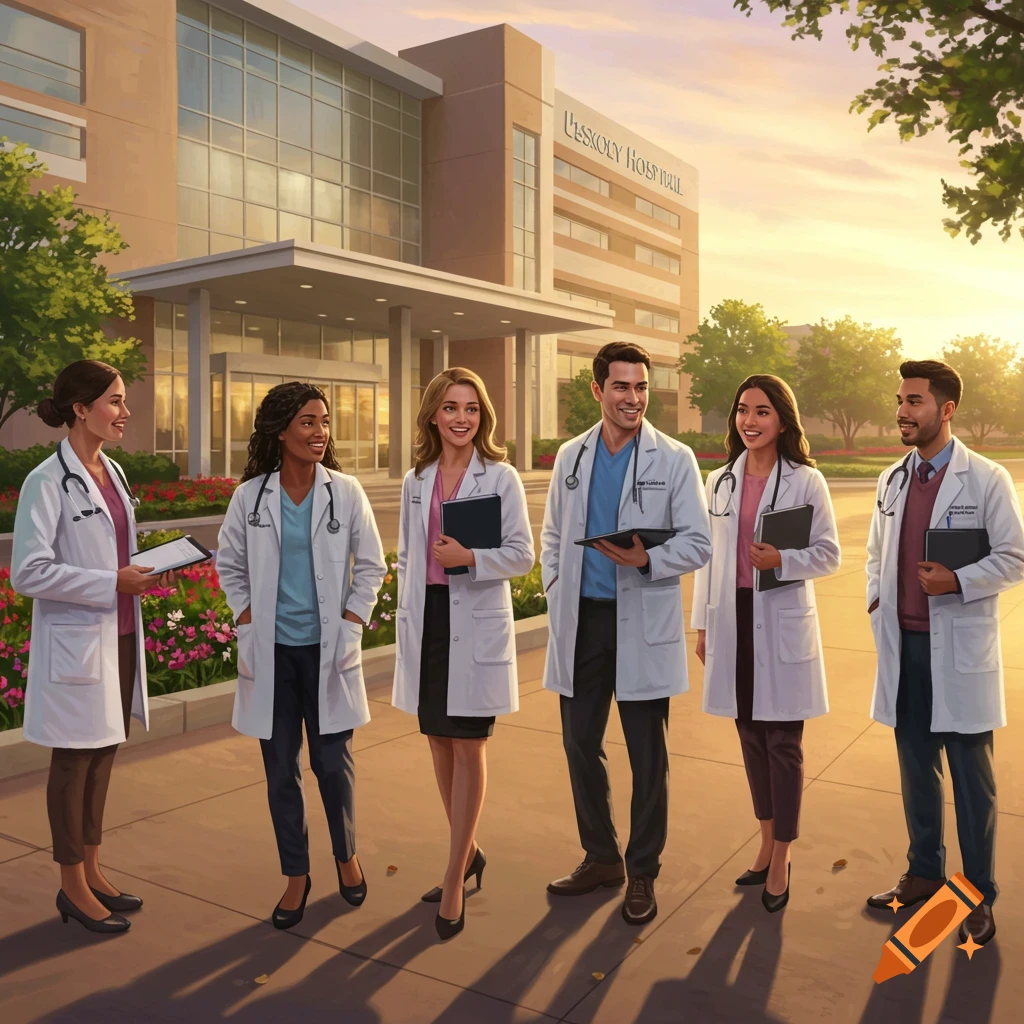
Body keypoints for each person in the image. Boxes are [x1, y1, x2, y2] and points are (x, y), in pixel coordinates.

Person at [540, 341, 711, 925]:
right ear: (597, 391)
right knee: (578, 743)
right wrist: (556, 582)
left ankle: (642, 871)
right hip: (582, 619)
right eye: (621, 387)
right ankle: (601, 856)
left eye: (640, 388)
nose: (633, 398)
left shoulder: (676, 459)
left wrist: (645, 562)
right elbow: (552, 535)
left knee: (647, 755)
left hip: (641, 618)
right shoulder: (570, 456)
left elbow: (699, 543)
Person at [865, 360, 1024, 946]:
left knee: (971, 779)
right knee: (915, 770)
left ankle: (978, 894)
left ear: (947, 409)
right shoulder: (892, 479)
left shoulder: (985, 479)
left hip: (956, 649)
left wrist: (957, 580)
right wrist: (876, 600)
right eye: (901, 400)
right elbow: (874, 554)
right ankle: (924, 873)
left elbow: (1015, 557)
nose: (903, 411)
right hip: (904, 646)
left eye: (915, 402)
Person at [216, 382, 386, 930]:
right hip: (272, 655)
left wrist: (353, 617)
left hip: (328, 652)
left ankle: (346, 856)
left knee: (331, 765)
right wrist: (244, 615)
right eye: (309, 422)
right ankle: (296, 875)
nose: (320, 433)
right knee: (280, 771)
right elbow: (230, 565)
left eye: (325, 422)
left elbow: (373, 566)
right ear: (282, 429)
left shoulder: (346, 491)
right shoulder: (251, 498)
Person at [11, 361, 168, 934]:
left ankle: (95, 870)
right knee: (73, 765)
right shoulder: (46, 482)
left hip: (120, 637)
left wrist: (147, 573)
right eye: (115, 401)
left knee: (103, 757)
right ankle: (72, 886)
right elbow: (27, 572)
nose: (125, 412)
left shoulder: (114, 472)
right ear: (81, 408)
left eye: (124, 401)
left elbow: (117, 550)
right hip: (79, 643)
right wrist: (110, 583)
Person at [392, 368, 534, 941]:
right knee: (439, 742)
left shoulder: (500, 478)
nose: (461, 418)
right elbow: (407, 555)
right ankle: (469, 854)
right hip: (428, 619)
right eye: (450, 407)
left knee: (469, 744)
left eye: (471, 409)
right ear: (433, 414)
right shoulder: (416, 479)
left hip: (473, 621)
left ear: (483, 417)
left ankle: (454, 877)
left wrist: (472, 557)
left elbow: (522, 554)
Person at [691, 375, 840, 912]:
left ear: (782, 419)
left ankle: (783, 854)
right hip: (731, 617)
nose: (749, 421)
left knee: (784, 743)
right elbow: (707, 560)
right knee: (750, 737)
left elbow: (828, 554)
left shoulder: (805, 481)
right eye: (742, 411)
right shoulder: (720, 483)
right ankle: (763, 841)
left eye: (762, 412)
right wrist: (702, 625)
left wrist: (784, 560)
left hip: (778, 616)